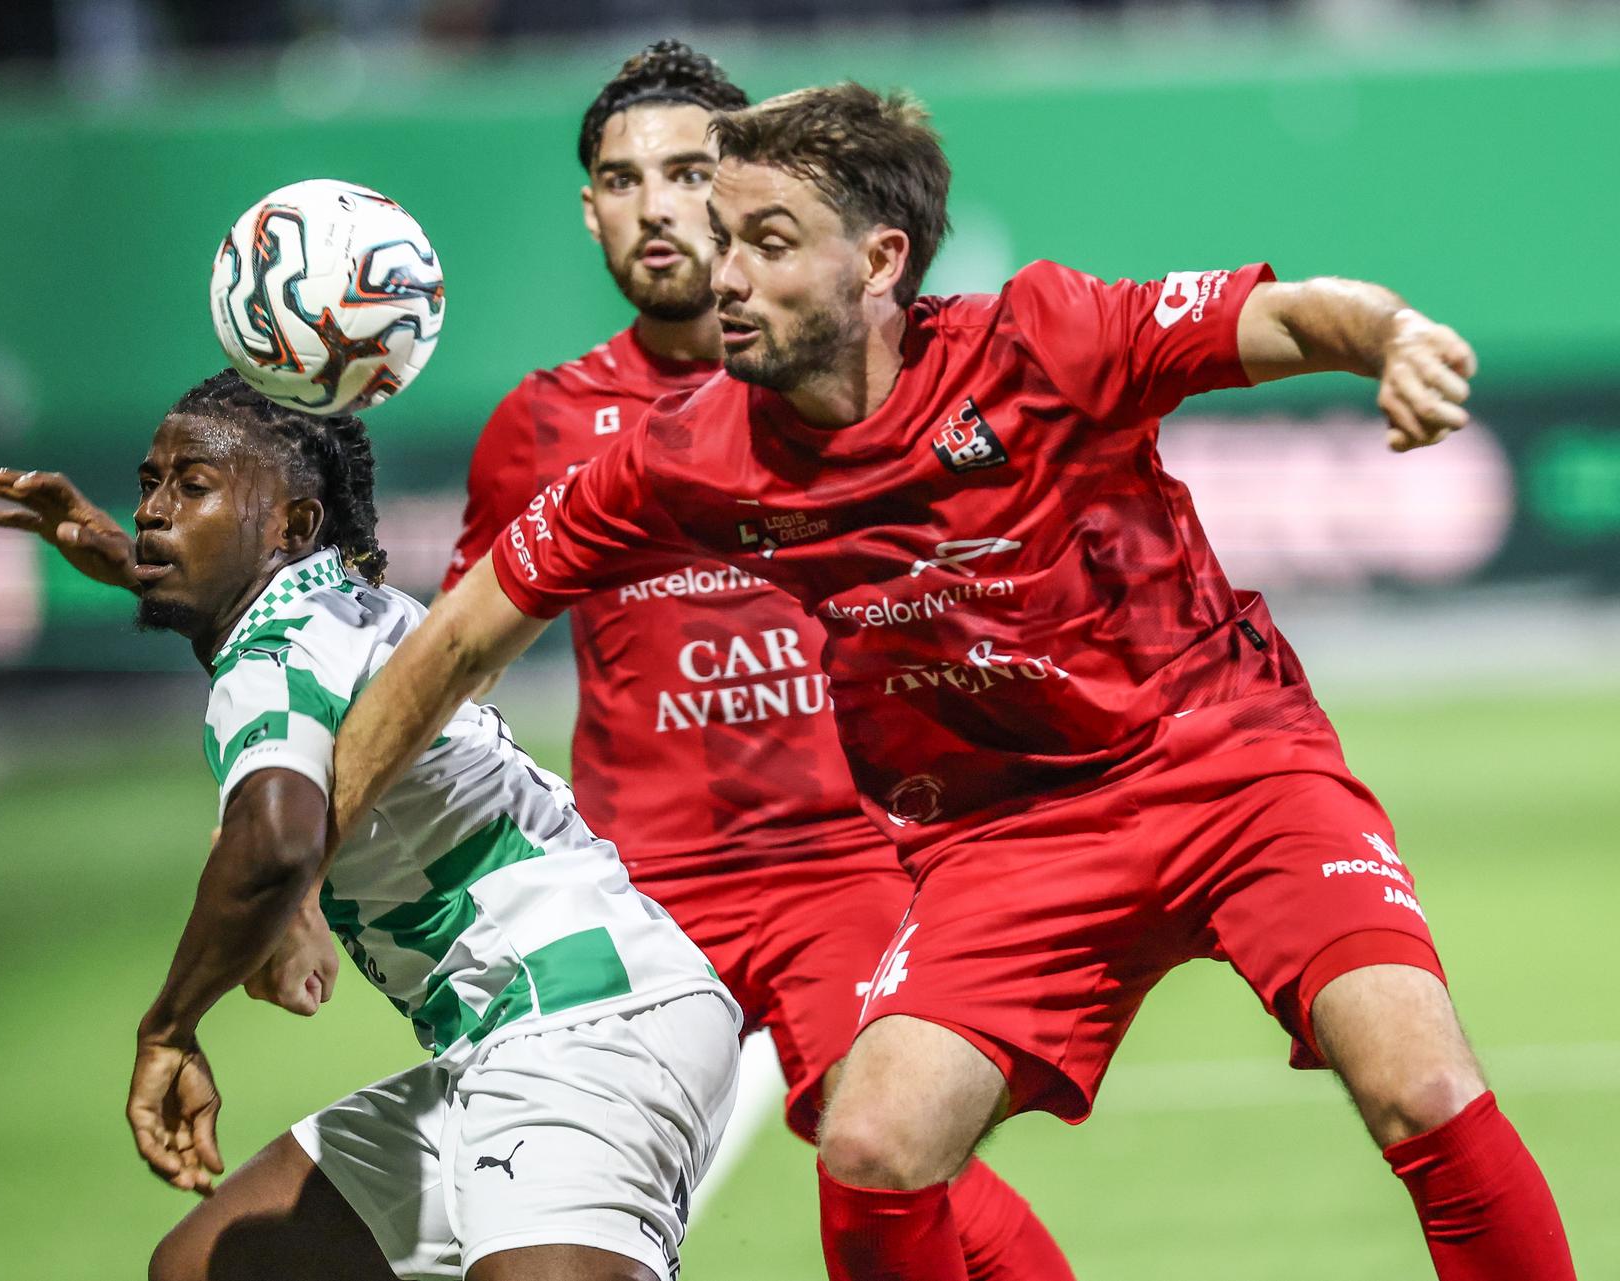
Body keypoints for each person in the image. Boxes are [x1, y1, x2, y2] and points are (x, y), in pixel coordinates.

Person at [306, 85, 1577, 1281]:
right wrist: (303, 856)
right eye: (723, 239)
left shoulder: (1046, 343)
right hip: (1008, 834)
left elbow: (1294, 315)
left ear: (880, 261)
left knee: (1419, 1082)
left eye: (767, 240)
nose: (726, 275)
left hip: (1229, 763)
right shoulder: (688, 457)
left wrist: (1396, 338)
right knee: (873, 1150)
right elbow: (457, 638)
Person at [444, 41, 1069, 1279]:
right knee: (533, 1200)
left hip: (833, 861)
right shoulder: (541, 425)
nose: (656, 204)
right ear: (590, 210)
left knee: (882, 1159)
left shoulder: (852, 387)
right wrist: (325, 800)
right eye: (621, 181)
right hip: (632, 892)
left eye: (687, 173)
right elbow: (462, 660)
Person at [0, 370, 742, 1281]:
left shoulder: (275, 651)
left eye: (194, 486)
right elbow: (221, 589)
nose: (152, 512)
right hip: (510, 1037)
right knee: (213, 1268)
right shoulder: (332, 599)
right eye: (150, 484)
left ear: (296, 526)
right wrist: (102, 541)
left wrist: (169, 1028)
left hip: (584, 1026)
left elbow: (275, 842)